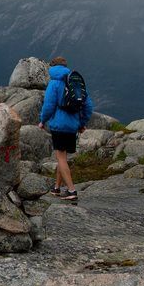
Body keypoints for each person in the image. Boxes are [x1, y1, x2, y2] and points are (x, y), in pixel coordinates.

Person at [38, 55, 93, 204]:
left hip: (59, 125)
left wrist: (42, 121)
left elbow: (49, 105)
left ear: (52, 67)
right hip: (72, 126)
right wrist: (81, 123)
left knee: (60, 158)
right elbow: (88, 106)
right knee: (62, 157)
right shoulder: (74, 81)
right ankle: (56, 188)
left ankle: (71, 190)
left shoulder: (54, 83)